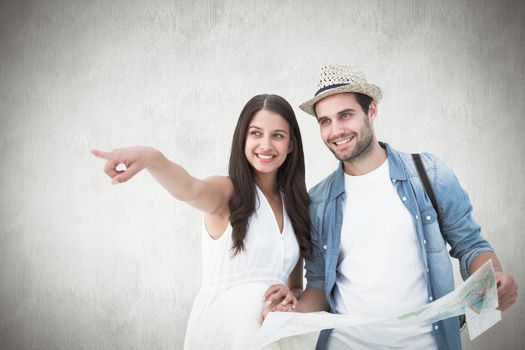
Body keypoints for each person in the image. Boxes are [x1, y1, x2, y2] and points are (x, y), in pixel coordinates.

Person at [291, 65, 519, 350]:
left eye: (345, 115)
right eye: (325, 121)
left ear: (371, 111)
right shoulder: (318, 202)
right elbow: (317, 287)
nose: (335, 130)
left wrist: (494, 277)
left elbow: (470, 244)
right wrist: (287, 314)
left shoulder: (428, 173)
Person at [91, 94, 315, 349]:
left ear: (291, 144)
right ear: (242, 138)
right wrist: (151, 157)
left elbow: (295, 288)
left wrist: (290, 296)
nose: (265, 145)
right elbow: (189, 188)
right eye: (255, 133)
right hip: (219, 330)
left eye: (277, 135)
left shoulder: (296, 206)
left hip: (269, 333)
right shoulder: (227, 191)